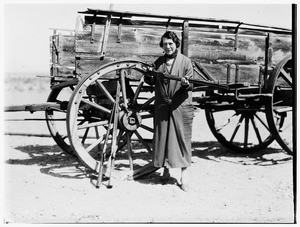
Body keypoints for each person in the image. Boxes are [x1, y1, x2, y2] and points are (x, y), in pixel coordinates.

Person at [145, 31, 194, 192]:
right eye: (165, 44)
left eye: (170, 44)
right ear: (162, 45)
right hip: (162, 106)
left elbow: (191, 84)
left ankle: (184, 176)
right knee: (163, 138)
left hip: (179, 105)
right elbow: (150, 79)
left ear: (176, 44)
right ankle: (165, 170)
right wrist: (148, 75)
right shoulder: (158, 62)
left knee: (182, 139)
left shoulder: (186, 62)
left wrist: (186, 84)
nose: (168, 46)